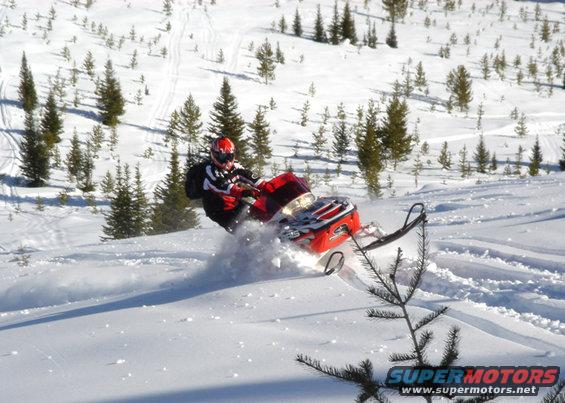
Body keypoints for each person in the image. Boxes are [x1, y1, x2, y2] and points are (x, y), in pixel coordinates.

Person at [202, 136, 265, 232]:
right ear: (215, 155)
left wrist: (266, 185)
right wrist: (244, 192)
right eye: (223, 156)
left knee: (261, 212)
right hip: (220, 211)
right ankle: (251, 245)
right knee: (246, 230)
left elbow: (250, 177)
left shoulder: (235, 167)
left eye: (229, 156)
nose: (227, 160)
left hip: (236, 203)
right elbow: (222, 186)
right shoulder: (210, 171)